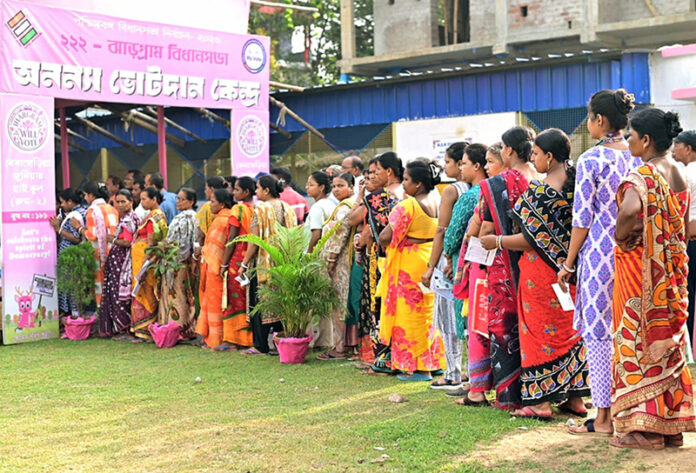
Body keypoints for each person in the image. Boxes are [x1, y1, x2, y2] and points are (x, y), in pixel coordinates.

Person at [481, 129, 591, 419]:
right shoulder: (577, 185)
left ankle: (540, 403)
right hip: (569, 271)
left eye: (537, 155)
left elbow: (529, 240)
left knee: (538, 333)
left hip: (539, 276)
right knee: (570, 332)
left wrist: (498, 242)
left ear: (549, 156)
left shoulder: (539, 193)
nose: (534, 159)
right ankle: (575, 399)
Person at [610, 108, 696, 449]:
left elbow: (629, 211)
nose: (628, 140)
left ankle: (641, 429)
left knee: (634, 336)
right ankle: (669, 426)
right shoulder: (679, 172)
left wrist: (621, 236)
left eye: (630, 135)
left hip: (639, 268)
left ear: (645, 140)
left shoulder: (643, 175)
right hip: (672, 271)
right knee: (666, 338)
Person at [558, 89, 642, 435]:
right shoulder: (640, 157)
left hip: (598, 257)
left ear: (600, 120)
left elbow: (583, 219)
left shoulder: (592, 160)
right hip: (634, 253)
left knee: (597, 334)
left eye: (589, 116)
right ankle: (631, 407)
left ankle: (603, 417)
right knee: (631, 330)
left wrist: (567, 262)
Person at [462, 126, 538, 410]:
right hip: (536, 263)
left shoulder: (497, 184)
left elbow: (485, 228)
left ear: (508, 150)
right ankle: (535, 392)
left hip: (503, 263)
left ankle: (509, 395)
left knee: (503, 325)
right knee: (531, 326)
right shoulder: (539, 178)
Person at [378, 160, 445, 381]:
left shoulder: (408, 206)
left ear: (417, 184)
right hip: (430, 260)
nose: (402, 183)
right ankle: (434, 363)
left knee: (409, 317)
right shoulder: (439, 199)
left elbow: (385, 237)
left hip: (409, 264)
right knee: (429, 315)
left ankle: (419, 369)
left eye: (406, 179)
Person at [450, 143, 504, 399]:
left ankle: (478, 390)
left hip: (485, 264)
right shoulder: (525, 183)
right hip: (508, 265)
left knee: (479, 326)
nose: (490, 166)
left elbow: (476, 230)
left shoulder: (488, 190)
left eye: (492, 161)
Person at [422, 142, 470, 390]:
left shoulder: (452, 191)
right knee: (469, 316)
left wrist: (432, 266)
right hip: (472, 258)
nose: (446, 166)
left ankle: (453, 372)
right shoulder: (479, 187)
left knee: (448, 316)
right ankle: (473, 371)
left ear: (461, 163)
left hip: (451, 259)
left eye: (449, 162)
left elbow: (441, 231)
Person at [240, 175, 298, 355]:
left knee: (259, 303)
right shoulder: (286, 207)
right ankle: (282, 341)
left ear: (266, 190)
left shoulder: (261, 209)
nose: (256, 192)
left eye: (257, 188)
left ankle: (260, 345)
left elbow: (255, 240)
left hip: (263, 263)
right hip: (282, 262)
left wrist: (244, 263)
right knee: (280, 301)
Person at [317, 173, 356, 360]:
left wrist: (331, 261)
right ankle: (345, 345)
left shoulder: (345, 208)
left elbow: (339, 235)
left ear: (351, 186)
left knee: (339, 304)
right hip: (342, 261)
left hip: (340, 263)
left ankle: (340, 348)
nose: (336, 189)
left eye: (341, 185)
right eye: (334, 186)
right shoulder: (346, 205)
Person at [219, 176, 256, 349]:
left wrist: (224, 264)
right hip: (251, 257)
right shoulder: (256, 209)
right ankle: (248, 338)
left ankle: (234, 340)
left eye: (236, 189)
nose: (233, 192)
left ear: (246, 192)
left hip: (237, 260)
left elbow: (232, 237)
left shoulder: (238, 209)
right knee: (247, 298)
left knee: (234, 300)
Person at [196, 188, 234, 350]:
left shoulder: (222, 220)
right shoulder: (222, 218)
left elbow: (214, 248)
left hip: (216, 268)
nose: (209, 204)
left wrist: (202, 251)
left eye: (212, 201)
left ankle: (216, 339)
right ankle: (213, 338)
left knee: (216, 304)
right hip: (217, 266)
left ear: (222, 203)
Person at [71, 181, 119, 309]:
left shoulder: (92, 211)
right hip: (113, 251)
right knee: (111, 286)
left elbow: (92, 235)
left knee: (99, 287)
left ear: (92, 195)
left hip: (98, 253)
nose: (85, 198)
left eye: (86, 195)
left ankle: (101, 317)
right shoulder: (112, 209)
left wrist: (79, 228)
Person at [158, 187, 198, 339]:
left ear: (191, 202)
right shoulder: (184, 216)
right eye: (177, 198)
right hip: (179, 261)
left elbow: (186, 243)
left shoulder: (188, 217)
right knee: (179, 295)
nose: (178, 202)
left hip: (179, 262)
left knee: (178, 295)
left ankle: (179, 329)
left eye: (182, 199)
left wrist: (169, 251)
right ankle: (181, 328)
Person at [100, 189, 139, 337]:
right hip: (119, 260)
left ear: (131, 202)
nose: (120, 205)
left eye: (124, 201)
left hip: (122, 261)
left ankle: (123, 328)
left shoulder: (128, 220)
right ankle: (123, 327)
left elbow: (128, 241)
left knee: (119, 295)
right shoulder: (131, 217)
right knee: (119, 293)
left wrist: (113, 240)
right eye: (118, 202)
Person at [131, 187, 168, 341]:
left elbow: (151, 242)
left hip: (145, 260)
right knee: (142, 290)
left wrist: (146, 261)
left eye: (145, 199)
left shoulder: (154, 217)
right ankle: (143, 329)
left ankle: (145, 330)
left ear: (154, 199)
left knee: (144, 290)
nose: (142, 202)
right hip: (141, 258)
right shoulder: (154, 215)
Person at [672, 129, 696, 346]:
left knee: (687, 292)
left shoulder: (686, 174)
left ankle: (686, 343)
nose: (673, 149)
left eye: (677, 144)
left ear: (688, 148)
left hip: (692, 242)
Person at [49, 189, 87, 316]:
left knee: (70, 285)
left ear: (70, 202)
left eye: (63, 202)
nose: (62, 205)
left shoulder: (75, 216)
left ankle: (73, 314)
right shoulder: (80, 211)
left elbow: (76, 238)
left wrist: (58, 229)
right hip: (73, 254)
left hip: (71, 254)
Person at [305, 171, 336, 253]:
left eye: (311, 185)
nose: (307, 187)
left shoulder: (317, 207)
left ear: (321, 187)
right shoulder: (330, 203)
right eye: (307, 184)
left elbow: (316, 235)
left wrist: (309, 254)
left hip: (315, 254)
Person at [196, 176, 229, 246]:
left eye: (206, 189)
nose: (205, 191)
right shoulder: (230, 205)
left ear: (212, 189)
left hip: (210, 248)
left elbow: (201, 235)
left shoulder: (207, 207)